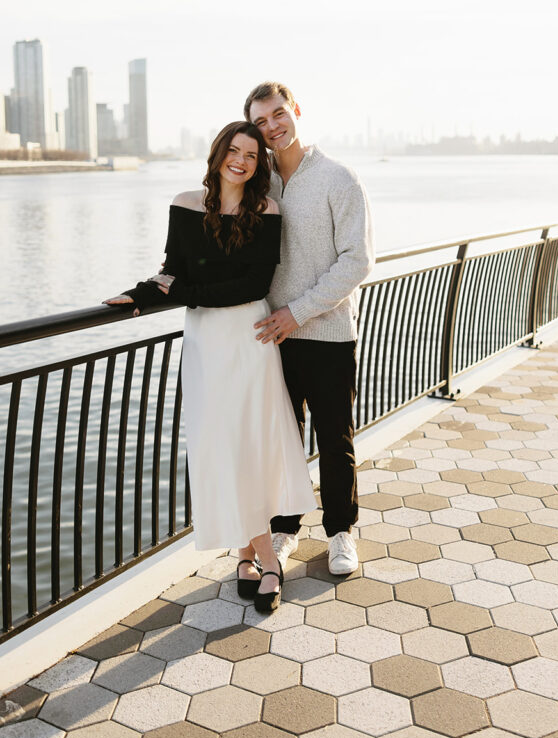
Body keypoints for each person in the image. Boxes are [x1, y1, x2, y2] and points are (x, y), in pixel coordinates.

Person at [103, 120, 316, 612]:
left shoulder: (268, 210)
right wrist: (139, 295)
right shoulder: (185, 204)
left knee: (248, 444)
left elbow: (252, 284)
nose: (241, 160)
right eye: (234, 150)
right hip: (204, 343)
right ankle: (246, 552)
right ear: (219, 152)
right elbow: (172, 268)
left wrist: (187, 296)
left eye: (251, 154)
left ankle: (266, 558)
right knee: (221, 444)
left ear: (259, 164)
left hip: (248, 336)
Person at [244, 82, 375, 575]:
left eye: (279, 114)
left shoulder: (339, 178)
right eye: (261, 121)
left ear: (295, 111)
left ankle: (341, 533)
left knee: (335, 441)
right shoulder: (259, 183)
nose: (273, 126)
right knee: (282, 440)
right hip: (271, 339)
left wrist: (296, 312)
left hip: (327, 335)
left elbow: (357, 261)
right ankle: (284, 530)